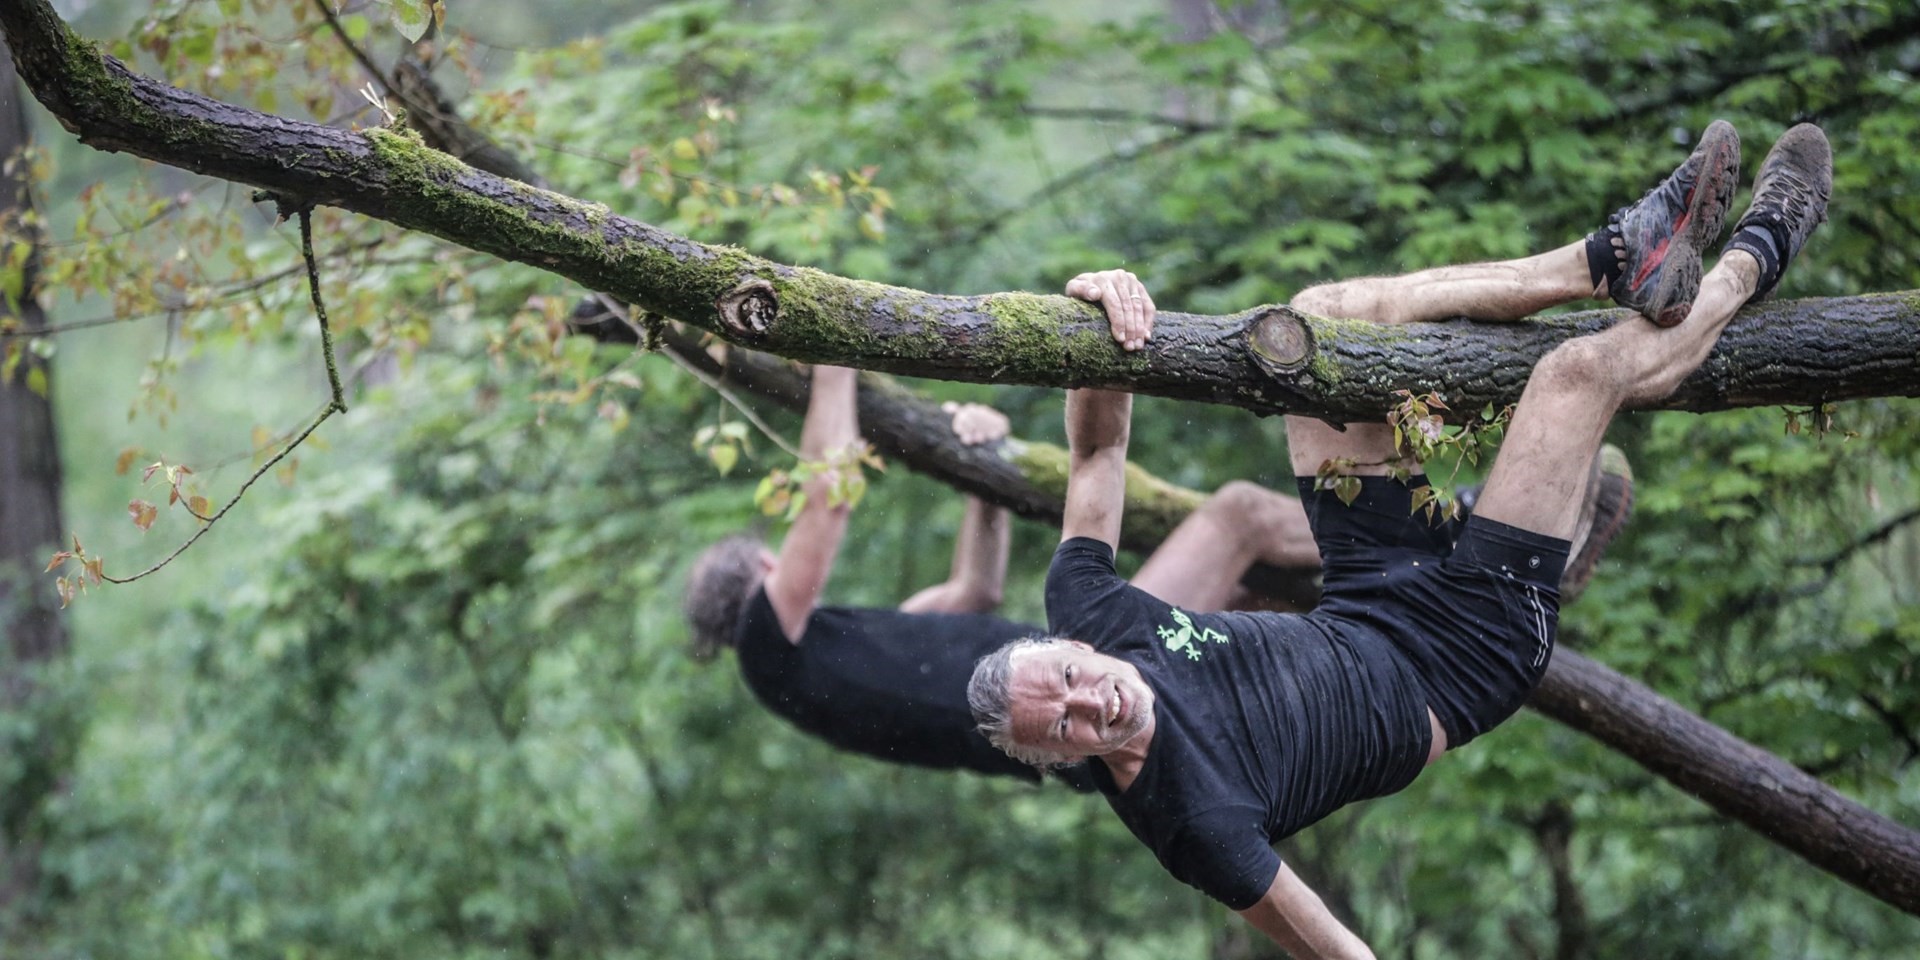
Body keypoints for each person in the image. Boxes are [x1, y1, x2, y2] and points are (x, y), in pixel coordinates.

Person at [967, 121, 1831, 958]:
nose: (1094, 704)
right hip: (1459, 656)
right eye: (1071, 728)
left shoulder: (1088, 610)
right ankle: (1763, 246)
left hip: (1368, 586)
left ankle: (1611, 258)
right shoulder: (1193, 826)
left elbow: (1098, 450)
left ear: (1068, 647)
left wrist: (1094, 309)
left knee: (1315, 329)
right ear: (1061, 762)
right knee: (1576, 377)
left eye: (1072, 681)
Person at [682, 363, 1323, 788]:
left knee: (1262, 602)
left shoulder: (839, 660)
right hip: (1098, 683)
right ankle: (1402, 539)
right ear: (763, 574)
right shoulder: (769, 646)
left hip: (1091, 714)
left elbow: (974, 591)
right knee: (1240, 517)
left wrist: (981, 476)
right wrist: (831, 365)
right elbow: (829, 498)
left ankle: (1392, 589)